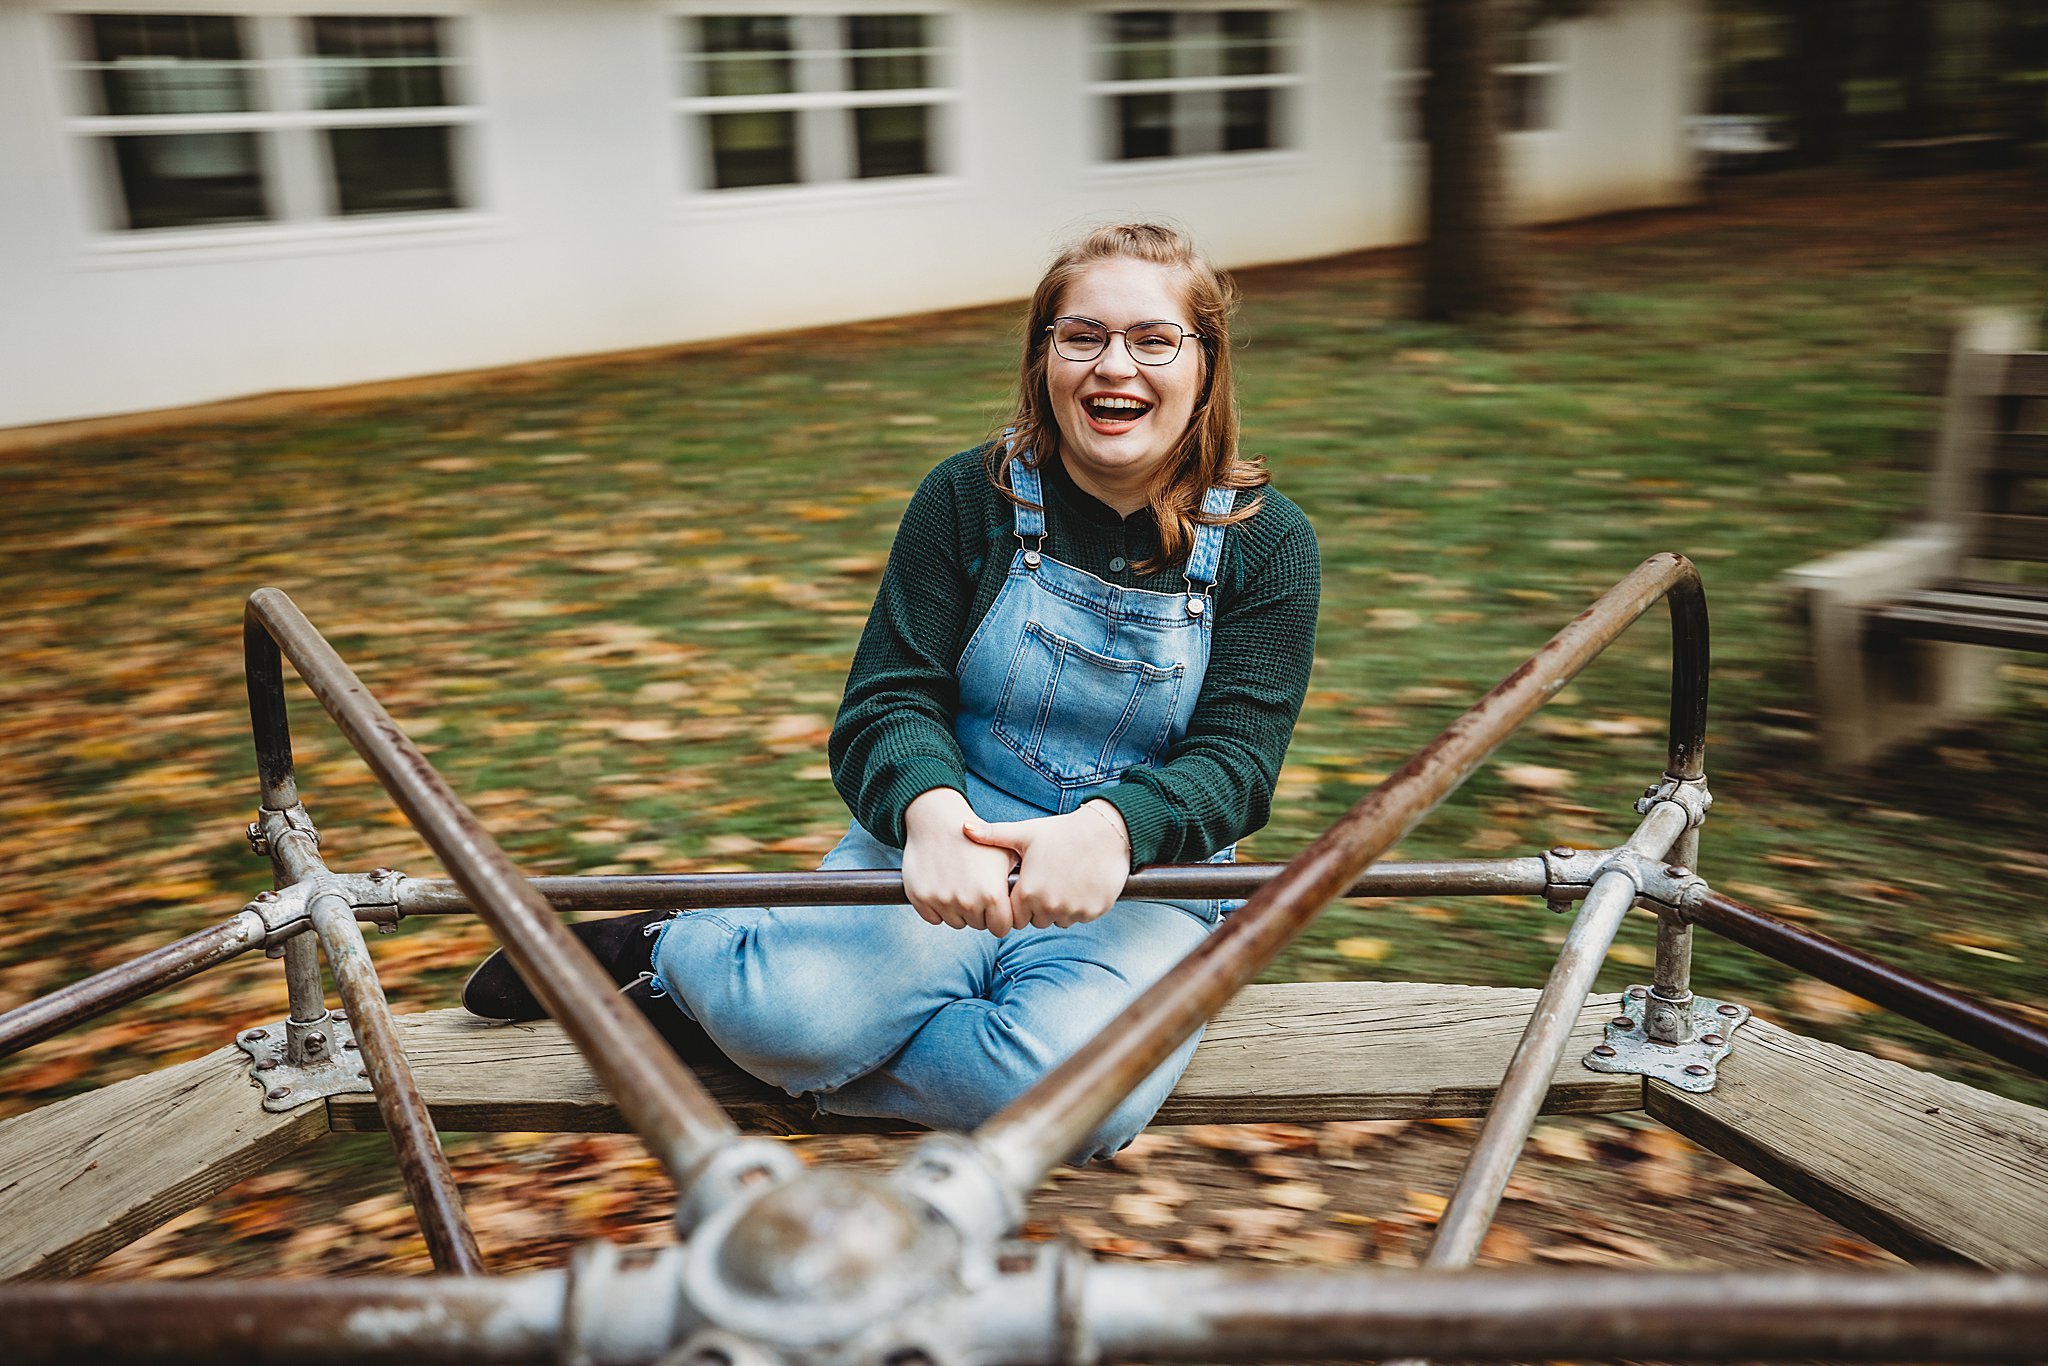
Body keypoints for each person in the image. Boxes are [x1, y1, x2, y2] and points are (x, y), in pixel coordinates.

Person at [463, 223, 1320, 1162]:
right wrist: (931, 810)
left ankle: (751, 1030)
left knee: (1077, 1108)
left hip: (1143, 873)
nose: (1116, 366)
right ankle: (678, 954)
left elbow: (1237, 764)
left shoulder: (1267, 544)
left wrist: (1113, 830)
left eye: (1154, 340)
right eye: (1082, 336)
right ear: (1043, 357)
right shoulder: (969, 498)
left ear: (1205, 364)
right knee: (798, 1023)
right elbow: (888, 699)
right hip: (953, 832)